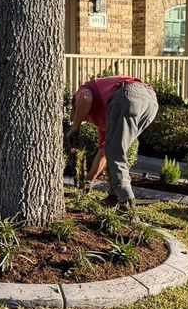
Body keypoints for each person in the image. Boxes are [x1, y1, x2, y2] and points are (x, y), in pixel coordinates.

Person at [66, 76, 159, 209]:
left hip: (130, 95)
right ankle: (114, 196)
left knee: (116, 152)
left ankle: (126, 201)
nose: (84, 119)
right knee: (114, 150)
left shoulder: (83, 90)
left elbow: (86, 98)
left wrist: (75, 127)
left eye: (80, 116)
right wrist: (88, 181)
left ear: (75, 105)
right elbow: (103, 153)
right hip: (150, 102)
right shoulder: (105, 119)